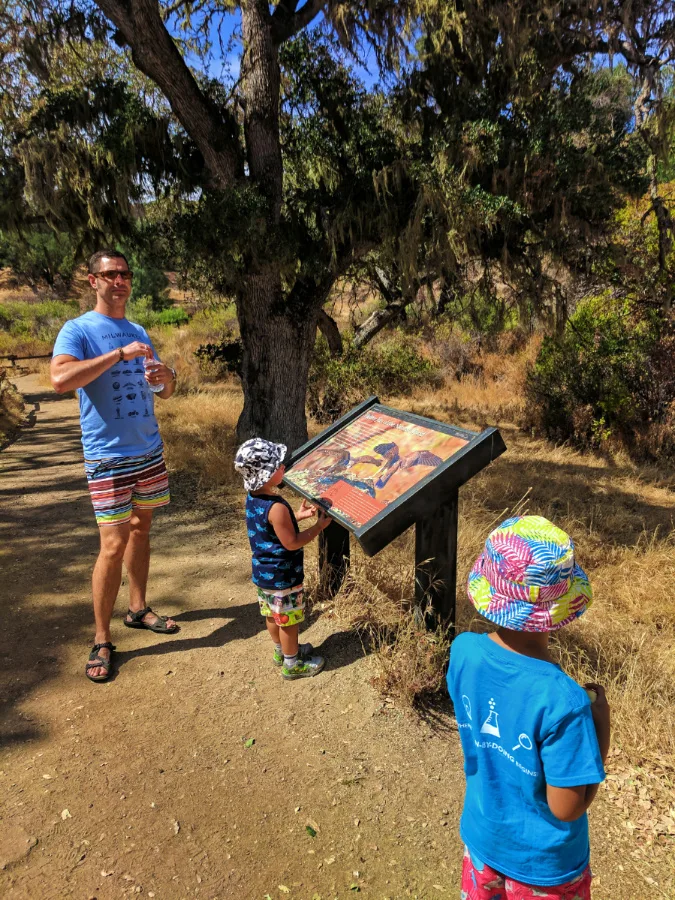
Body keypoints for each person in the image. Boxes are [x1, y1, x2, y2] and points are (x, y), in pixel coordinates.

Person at [446, 515, 610, 899]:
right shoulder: (565, 701)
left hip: (483, 843)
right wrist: (600, 732)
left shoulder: (463, 651)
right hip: (544, 868)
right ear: (561, 608)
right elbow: (567, 808)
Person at [51, 250, 179, 683]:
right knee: (112, 544)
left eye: (125, 274)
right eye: (110, 275)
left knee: (142, 529)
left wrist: (167, 376)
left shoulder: (138, 329)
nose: (120, 281)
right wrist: (118, 354)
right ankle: (101, 638)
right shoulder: (79, 329)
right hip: (108, 456)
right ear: (93, 281)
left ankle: (138, 609)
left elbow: (164, 392)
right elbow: (61, 379)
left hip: (148, 451)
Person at [234, 438, 331, 679]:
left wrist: (297, 515)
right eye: (278, 466)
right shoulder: (276, 506)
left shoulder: (253, 498)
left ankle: (281, 651)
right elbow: (291, 542)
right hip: (283, 575)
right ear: (266, 475)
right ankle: (292, 663)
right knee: (288, 620)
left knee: (272, 615)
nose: (283, 468)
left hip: (263, 573)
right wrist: (318, 526)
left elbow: (270, 530)